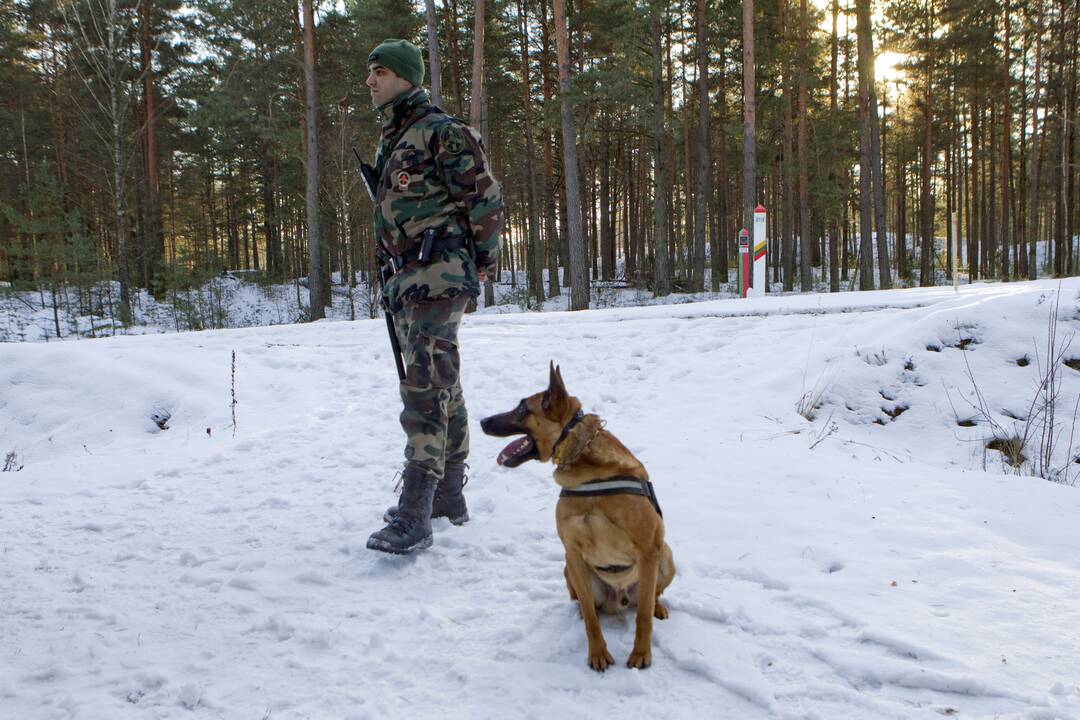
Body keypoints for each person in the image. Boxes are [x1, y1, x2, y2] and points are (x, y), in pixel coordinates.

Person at [363, 39, 504, 555]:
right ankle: (447, 495)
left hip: (440, 274)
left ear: (405, 76)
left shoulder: (441, 132)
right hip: (407, 279)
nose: (371, 81)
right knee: (443, 380)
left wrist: (483, 262)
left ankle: (415, 511)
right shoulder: (396, 138)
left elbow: (485, 200)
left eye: (380, 71)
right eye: (370, 72)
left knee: (423, 384)